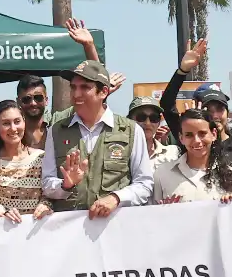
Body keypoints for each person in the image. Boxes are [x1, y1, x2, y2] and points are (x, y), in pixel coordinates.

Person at [43, 61, 153, 216]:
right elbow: (47, 183)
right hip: (69, 231)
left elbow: (144, 184)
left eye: (85, 87)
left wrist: (116, 198)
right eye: (73, 87)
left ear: (104, 92)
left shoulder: (131, 130)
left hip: (115, 228)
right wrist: (65, 185)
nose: (76, 94)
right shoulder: (56, 131)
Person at [154, 109, 232, 203]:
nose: (196, 141)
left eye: (202, 134)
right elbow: (152, 214)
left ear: (214, 134)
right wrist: (166, 210)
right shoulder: (162, 175)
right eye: (189, 135)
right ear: (181, 138)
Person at [0, 100, 46, 219]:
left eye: (17, 122)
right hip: (2, 230)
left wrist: (45, 205)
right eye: (6, 123)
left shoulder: (41, 158)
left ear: (24, 122)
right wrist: (3, 212)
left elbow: (48, 194)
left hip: (36, 230)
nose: (13, 128)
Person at [129, 95, 174, 165]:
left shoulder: (172, 154)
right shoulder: (120, 153)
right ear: (129, 120)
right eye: (141, 117)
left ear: (159, 122)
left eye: (154, 118)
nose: (147, 123)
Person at [16, 75, 50, 151]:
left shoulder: (56, 130)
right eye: (27, 99)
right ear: (18, 102)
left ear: (46, 100)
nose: (33, 103)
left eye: (38, 98)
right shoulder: (14, 134)